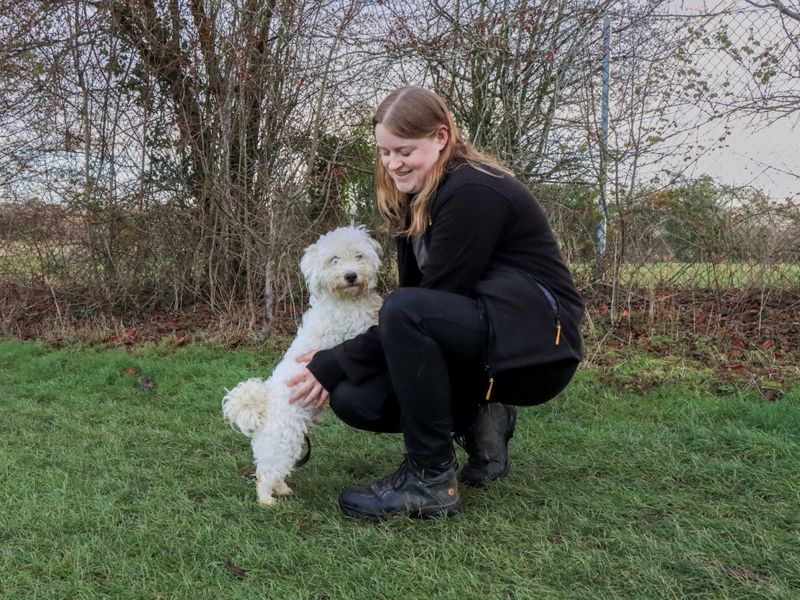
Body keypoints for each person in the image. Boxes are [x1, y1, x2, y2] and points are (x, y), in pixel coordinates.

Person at [286, 86, 584, 520]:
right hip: (482, 337)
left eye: (404, 150)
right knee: (356, 398)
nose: (392, 164)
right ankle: (481, 414)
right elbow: (421, 316)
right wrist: (344, 365)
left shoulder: (474, 190)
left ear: (441, 137)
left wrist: (335, 359)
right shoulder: (415, 201)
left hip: (536, 348)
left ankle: (429, 480)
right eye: (385, 153)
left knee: (403, 310)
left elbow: (427, 303)